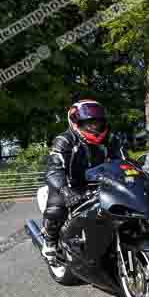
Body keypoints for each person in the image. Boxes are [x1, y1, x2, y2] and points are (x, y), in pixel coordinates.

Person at [41, 99, 126, 263]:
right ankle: (50, 242)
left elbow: (124, 161)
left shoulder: (111, 139)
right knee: (56, 209)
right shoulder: (64, 140)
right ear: (75, 123)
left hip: (101, 183)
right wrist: (65, 190)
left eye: (98, 123)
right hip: (70, 185)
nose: (94, 127)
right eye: (89, 123)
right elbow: (54, 169)